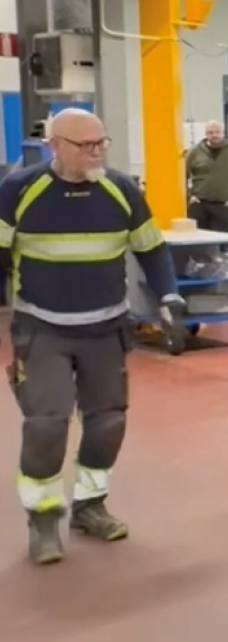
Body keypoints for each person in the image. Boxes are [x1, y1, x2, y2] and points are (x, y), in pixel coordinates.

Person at [0, 107, 184, 565]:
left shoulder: (121, 190)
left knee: (107, 422)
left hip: (105, 327)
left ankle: (90, 506)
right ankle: (43, 517)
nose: (97, 152)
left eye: (102, 143)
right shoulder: (19, 190)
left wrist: (169, 297)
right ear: (55, 146)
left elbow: (151, 248)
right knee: (46, 423)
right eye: (86, 145)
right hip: (41, 327)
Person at [186, 120, 228, 235]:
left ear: (223, 133)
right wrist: (189, 196)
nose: (214, 135)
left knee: (224, 240)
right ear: (205, 134)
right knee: (199, 239)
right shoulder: (194, 152)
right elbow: (181, 176)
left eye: (217, 132)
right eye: (210, 132)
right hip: (200, 204)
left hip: (225, 204)